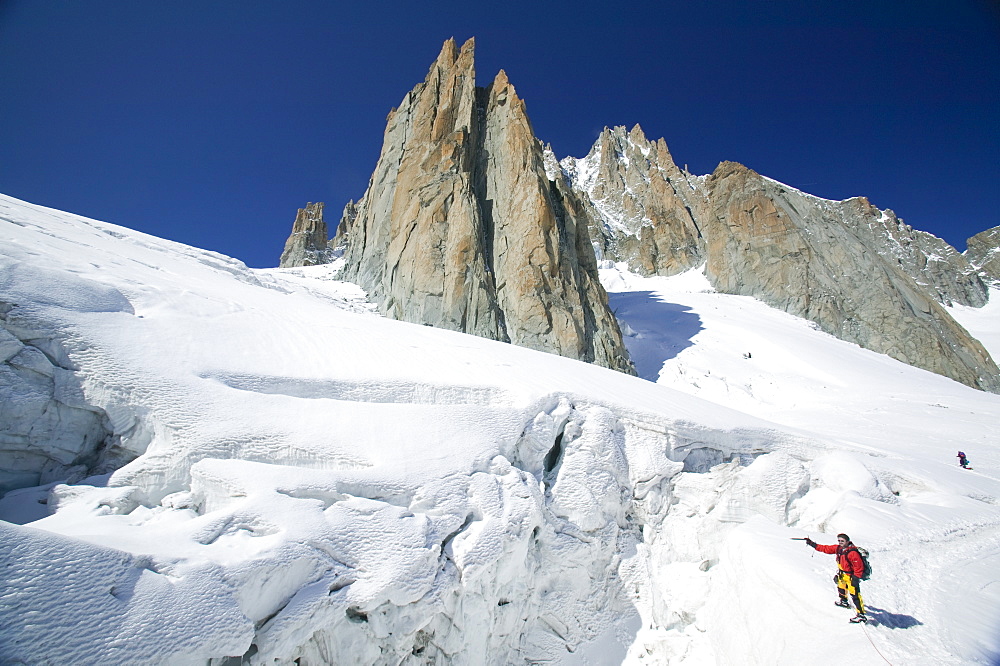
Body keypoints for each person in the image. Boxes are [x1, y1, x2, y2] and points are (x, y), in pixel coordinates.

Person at [804, 533, 868, 623]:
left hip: (851, 576)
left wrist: (856, 578)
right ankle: (843, 601)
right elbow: (825, 548)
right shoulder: (838, 548)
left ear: (847, 541)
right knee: (841, 587)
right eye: (839, 541)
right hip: (842, 574)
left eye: (842, 541)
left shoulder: (852, 552)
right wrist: (812, 544)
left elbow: (859, 567)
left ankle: (861, 615)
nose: (840, 542)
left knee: (855, 594)